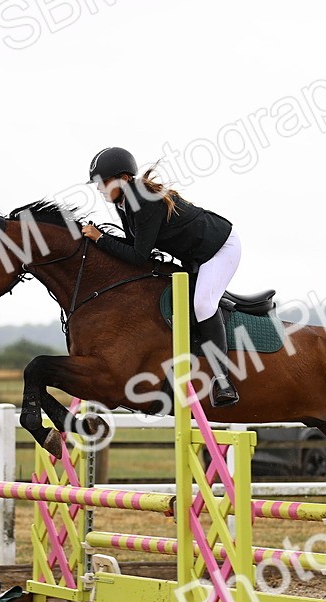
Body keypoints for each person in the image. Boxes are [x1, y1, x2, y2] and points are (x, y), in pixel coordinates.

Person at [81, 146, 241, 407]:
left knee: (202, 304)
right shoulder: (125, 202)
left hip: (220, 249)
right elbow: (134, 245)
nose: (99, 189)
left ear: (123, 179)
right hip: (194, 255)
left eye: (103, 182)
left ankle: (223, 380)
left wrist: (100, 239)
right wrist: (103, 239)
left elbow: (138, 256)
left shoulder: (143, 201)